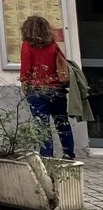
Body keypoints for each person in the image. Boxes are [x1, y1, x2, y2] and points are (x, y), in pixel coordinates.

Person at [19, 16, 75, 160]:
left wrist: (26, 87)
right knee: (62, 122)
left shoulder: (27, 46)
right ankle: (68, 154)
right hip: (57, 89)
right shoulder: (53, 45)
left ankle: (47, 157)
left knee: (42, 125)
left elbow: (26, 70)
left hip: (37, 90)